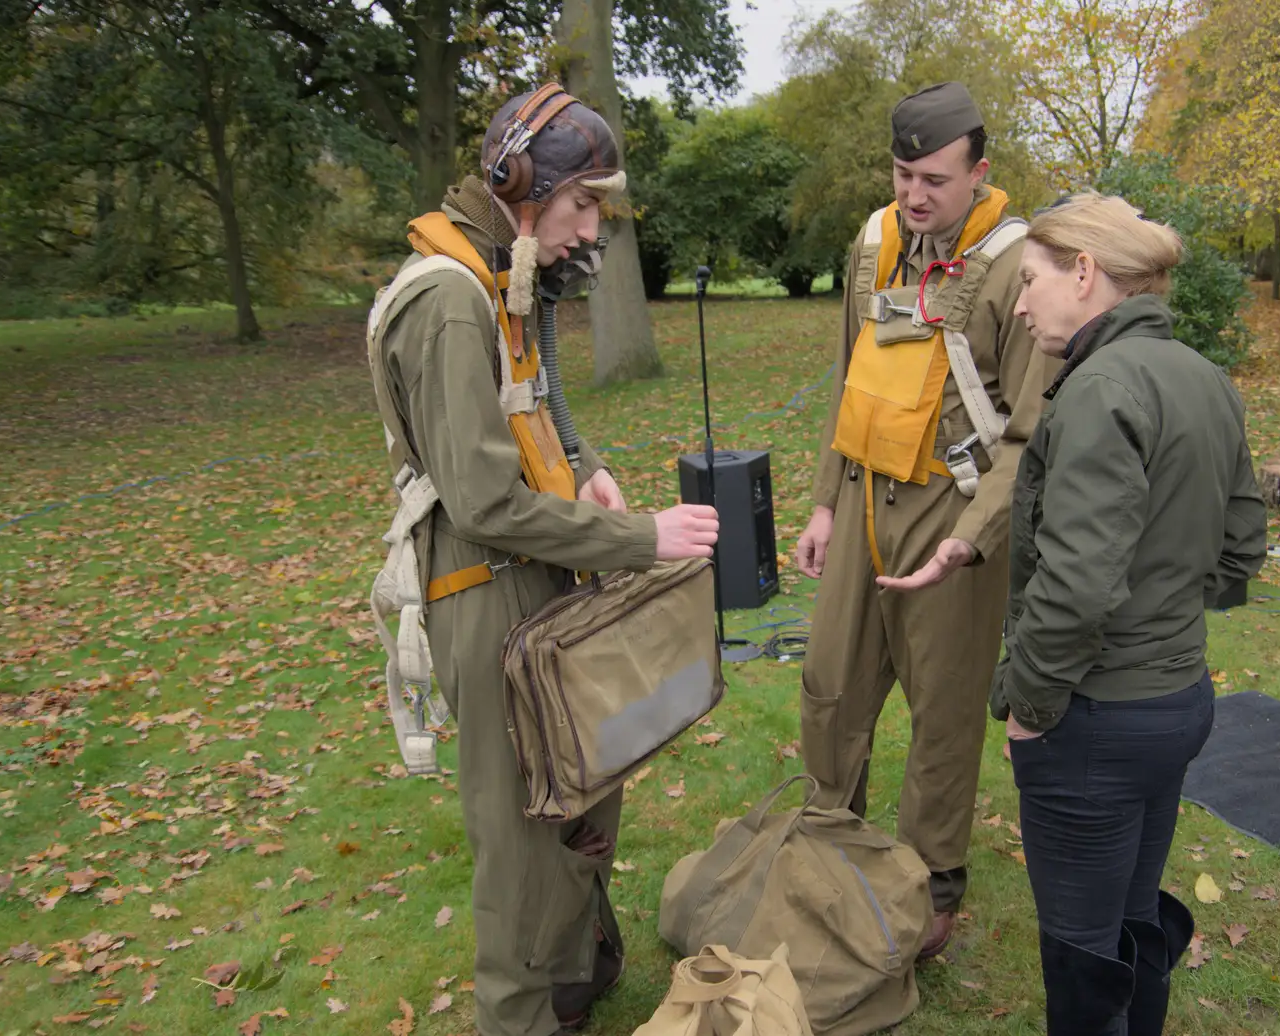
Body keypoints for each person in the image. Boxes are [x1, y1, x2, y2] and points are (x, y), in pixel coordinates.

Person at [366, 83, 719, 1036]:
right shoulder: (448, 301)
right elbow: (482, 499)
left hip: (534, 572)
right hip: (483, 588)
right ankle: (522, 1014)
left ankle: (575, 973)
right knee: (522, 840)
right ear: (522, 186)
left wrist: (591, 468)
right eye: (582, 205)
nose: (590, 229)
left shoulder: (499, 276)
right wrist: (643, 538)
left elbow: (528, 412)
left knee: (582, 782)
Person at [794, 81, 1062, 959]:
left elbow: (1027, 431)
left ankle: (932, 880)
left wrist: (969, 540)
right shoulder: (876, 241)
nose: (914, 195)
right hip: (867, 496)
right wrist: (826, 503)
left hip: (954, 510)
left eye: (935, 179)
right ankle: (832, 848)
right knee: (830, 685)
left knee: (942, 711)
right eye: (903, 173)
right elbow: (849, 379)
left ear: (980, 172)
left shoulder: (1021, 267)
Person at [991, 192, 1267, 1035]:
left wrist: (1030, 709)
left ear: (1085, 272)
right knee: (1130, 921)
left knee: (1082, 957)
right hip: (1179, 703)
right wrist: (1164, 608)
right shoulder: (1204, 378)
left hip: (1097, 723)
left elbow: (1075, 587)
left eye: (1032, 279)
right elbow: (1240, 547)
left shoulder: (1099, 387)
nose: (1021, 301)